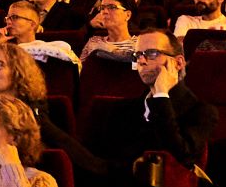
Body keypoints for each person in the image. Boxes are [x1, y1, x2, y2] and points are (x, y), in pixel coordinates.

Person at [81, 30, 217, 173]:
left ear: (178, 63)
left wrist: (161, 95)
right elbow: (100, 156)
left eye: (152, 53)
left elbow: (179, 158)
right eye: (138, 55)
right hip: (107, 180)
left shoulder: (201, 112)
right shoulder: (122, 108)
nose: (141, 61)